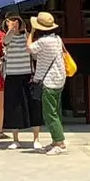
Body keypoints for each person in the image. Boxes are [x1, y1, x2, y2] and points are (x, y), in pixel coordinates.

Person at [28, 11, 68, 154]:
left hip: (49, 81)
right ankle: (55, 140)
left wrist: (30, 33)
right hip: (59, 79)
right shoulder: (57, 39)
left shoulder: (42, 41)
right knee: (56, 111)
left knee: (49, 113)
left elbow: (29, 48)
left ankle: (60, 143)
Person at [0, 13, 37, 149]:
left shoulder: (27, 36)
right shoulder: (6, 38)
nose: (15, 24)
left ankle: (36, 138)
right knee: (13, 107)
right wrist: (11, 29)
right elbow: (5, 41)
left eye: (17, 22)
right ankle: (15, 139)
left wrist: (30, 32)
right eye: (10, 22)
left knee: (33, 107)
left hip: (27, 74)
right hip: (12, 74)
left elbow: (33, 52)